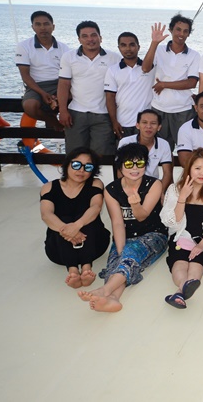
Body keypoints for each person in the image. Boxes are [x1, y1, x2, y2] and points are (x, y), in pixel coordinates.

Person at [78, 143, 166, 312]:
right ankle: (113, 298)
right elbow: (117, 223)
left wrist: (136, 205)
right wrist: (120, 251)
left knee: (130, 254)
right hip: (125, 236)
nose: (135, 168)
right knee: (118, 261)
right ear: (120, 166)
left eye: (140, 163)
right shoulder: (111, 189)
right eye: (129, 164)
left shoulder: (154, 184)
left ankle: (104, 290)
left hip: (154, 235)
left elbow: (142, 216)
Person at [161, 149, 203, 309]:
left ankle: (179, 292)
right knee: (179, 263)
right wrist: (182, 197)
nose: (202, 173)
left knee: (197, 263)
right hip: (181, 236)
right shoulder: (175, 189)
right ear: (189, 169)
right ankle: (183, 289)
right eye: (197, 168)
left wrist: (201, 245)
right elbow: (171, 221)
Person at [40, 147, 110, 288]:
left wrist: (76, 226)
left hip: (95, 246)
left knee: (85, 216)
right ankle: (72, 270)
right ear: (67, 165)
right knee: (63, 220)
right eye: (76, 165)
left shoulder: (95, 183)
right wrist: (68, 230)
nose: (81, 170)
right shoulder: (49, 187)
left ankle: (86, 267)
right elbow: (46, 215)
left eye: (87, 167)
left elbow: (95, 207)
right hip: (58, 252)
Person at [57, 20, 120, 155]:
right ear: (79, 39)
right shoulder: (68, 57)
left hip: (104, 115)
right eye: (85, 36)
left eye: (93, 35)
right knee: (75, 155)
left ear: (100, 38)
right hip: (76, 114)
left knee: (102, 156)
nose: (90, 39)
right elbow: (63, 85)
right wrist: (63, 110)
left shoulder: (114, 58)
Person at [142, 14, 200, 150]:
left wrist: (164, 84)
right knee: (160, 150)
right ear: (171, 30)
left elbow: (191, 83)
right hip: (159, 108)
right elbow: (145, 68)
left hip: (183, 110)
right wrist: (154, 43)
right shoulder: (158, 50)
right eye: (178, 29)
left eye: (185, 31)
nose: (181, 34)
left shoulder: (194, 55)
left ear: (189, 34)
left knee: (186, 150)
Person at [16, 10, 69, 130]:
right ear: (33, 27)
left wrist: (59, 94)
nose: (42, 28)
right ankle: (56, 124)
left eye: (46, 24)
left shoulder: (64, 48)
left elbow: (69, 74)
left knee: (79, 98)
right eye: (38, 24)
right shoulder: (24, 46)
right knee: (30, 106)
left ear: (53, 27)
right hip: (36, 85)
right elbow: (25, 76)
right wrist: (42, 93)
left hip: (59, 83)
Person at [104, 31, 154, 139]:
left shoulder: (150, 68)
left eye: (132, 45)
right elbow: (110, 97)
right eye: (123, 45)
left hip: (146, 124)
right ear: (119, 48)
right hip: (123, 123)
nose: (128, 49)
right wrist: (114, 122)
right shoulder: (113, 70)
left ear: (138, 47)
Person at [117, 109, 174, 194]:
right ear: (137, 125)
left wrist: (160, 192)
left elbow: (167, 172)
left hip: (153, 186)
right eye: (144, 122)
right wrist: (126, 190)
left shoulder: (164, 144)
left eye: (153, 123)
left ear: (159, 127)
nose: (149, 126)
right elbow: (120, 169)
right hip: (130, 186)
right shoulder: (125, 142)